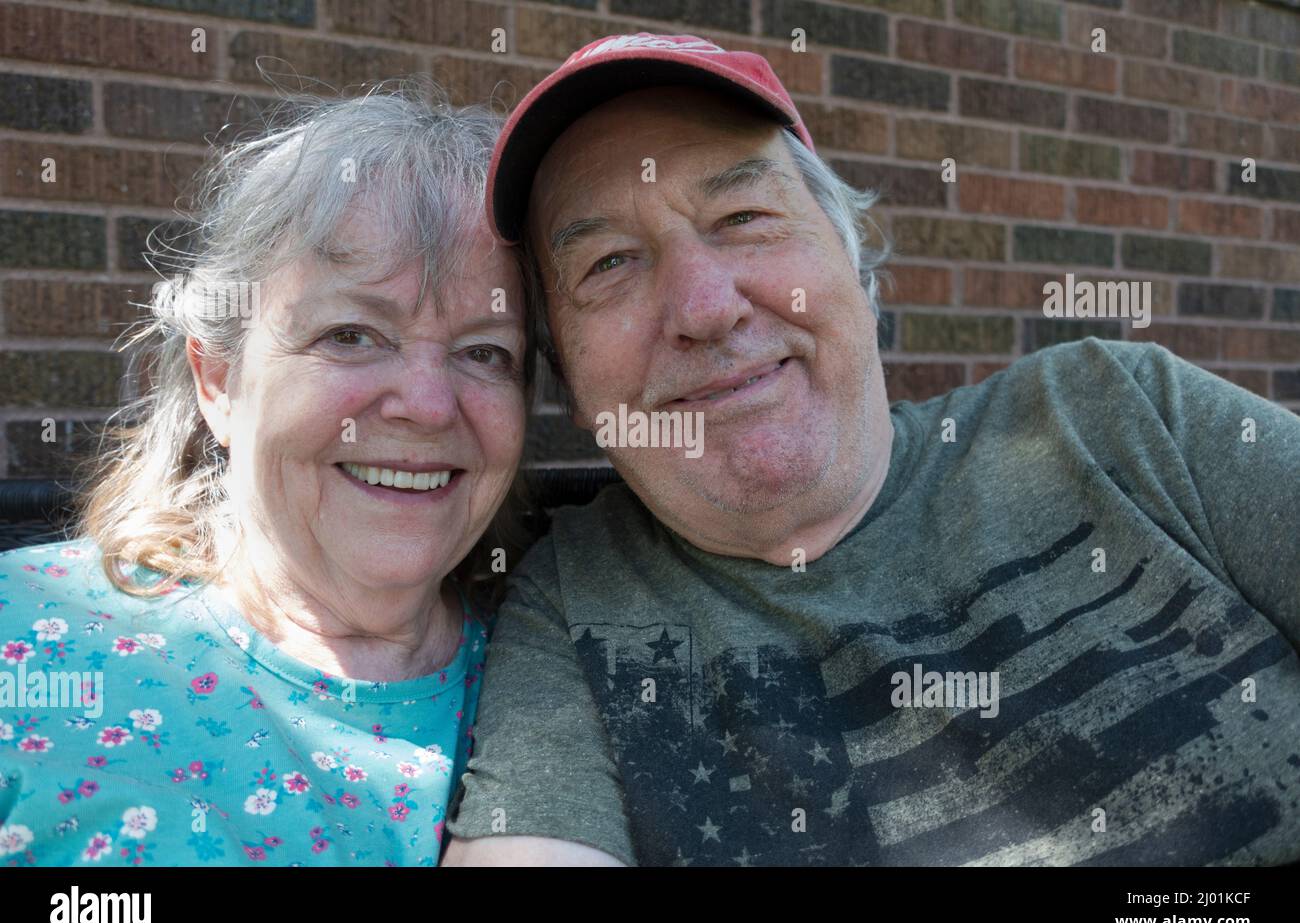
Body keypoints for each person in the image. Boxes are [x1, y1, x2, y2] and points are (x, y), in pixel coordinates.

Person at [443, 33, 1300, 867]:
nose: (705, 307)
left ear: (851, 259)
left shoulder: (1120, 410)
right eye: (608, 264)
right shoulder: (574, 607)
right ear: (567, 374)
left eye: (744, 215)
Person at [0, 86, 532, 866]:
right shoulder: (23, 641)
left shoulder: (564, 683)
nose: (426, 404)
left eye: (486, 351)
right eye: (351, 334)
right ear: (218, 379)